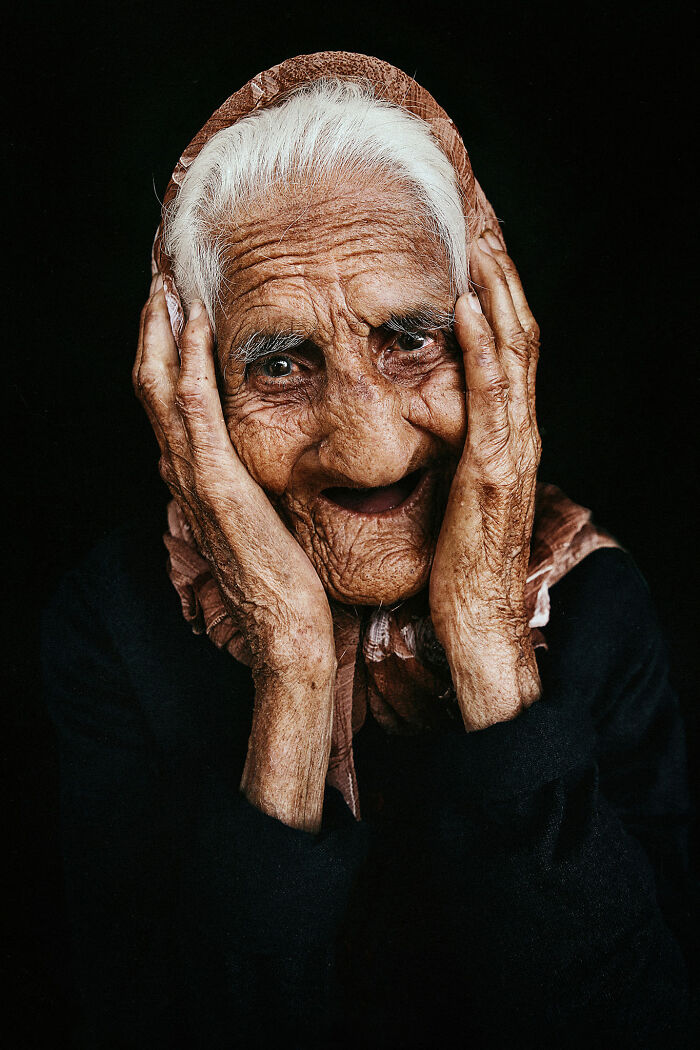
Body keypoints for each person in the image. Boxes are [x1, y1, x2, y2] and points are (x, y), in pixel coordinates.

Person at [42, 52, 692, 1047]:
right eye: (281, 360)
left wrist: (484, 641)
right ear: (193, 389)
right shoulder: (116, 620)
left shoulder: (594, 600)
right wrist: (294, 666)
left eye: (411, 337)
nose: (371, 444)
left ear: (496, 344)